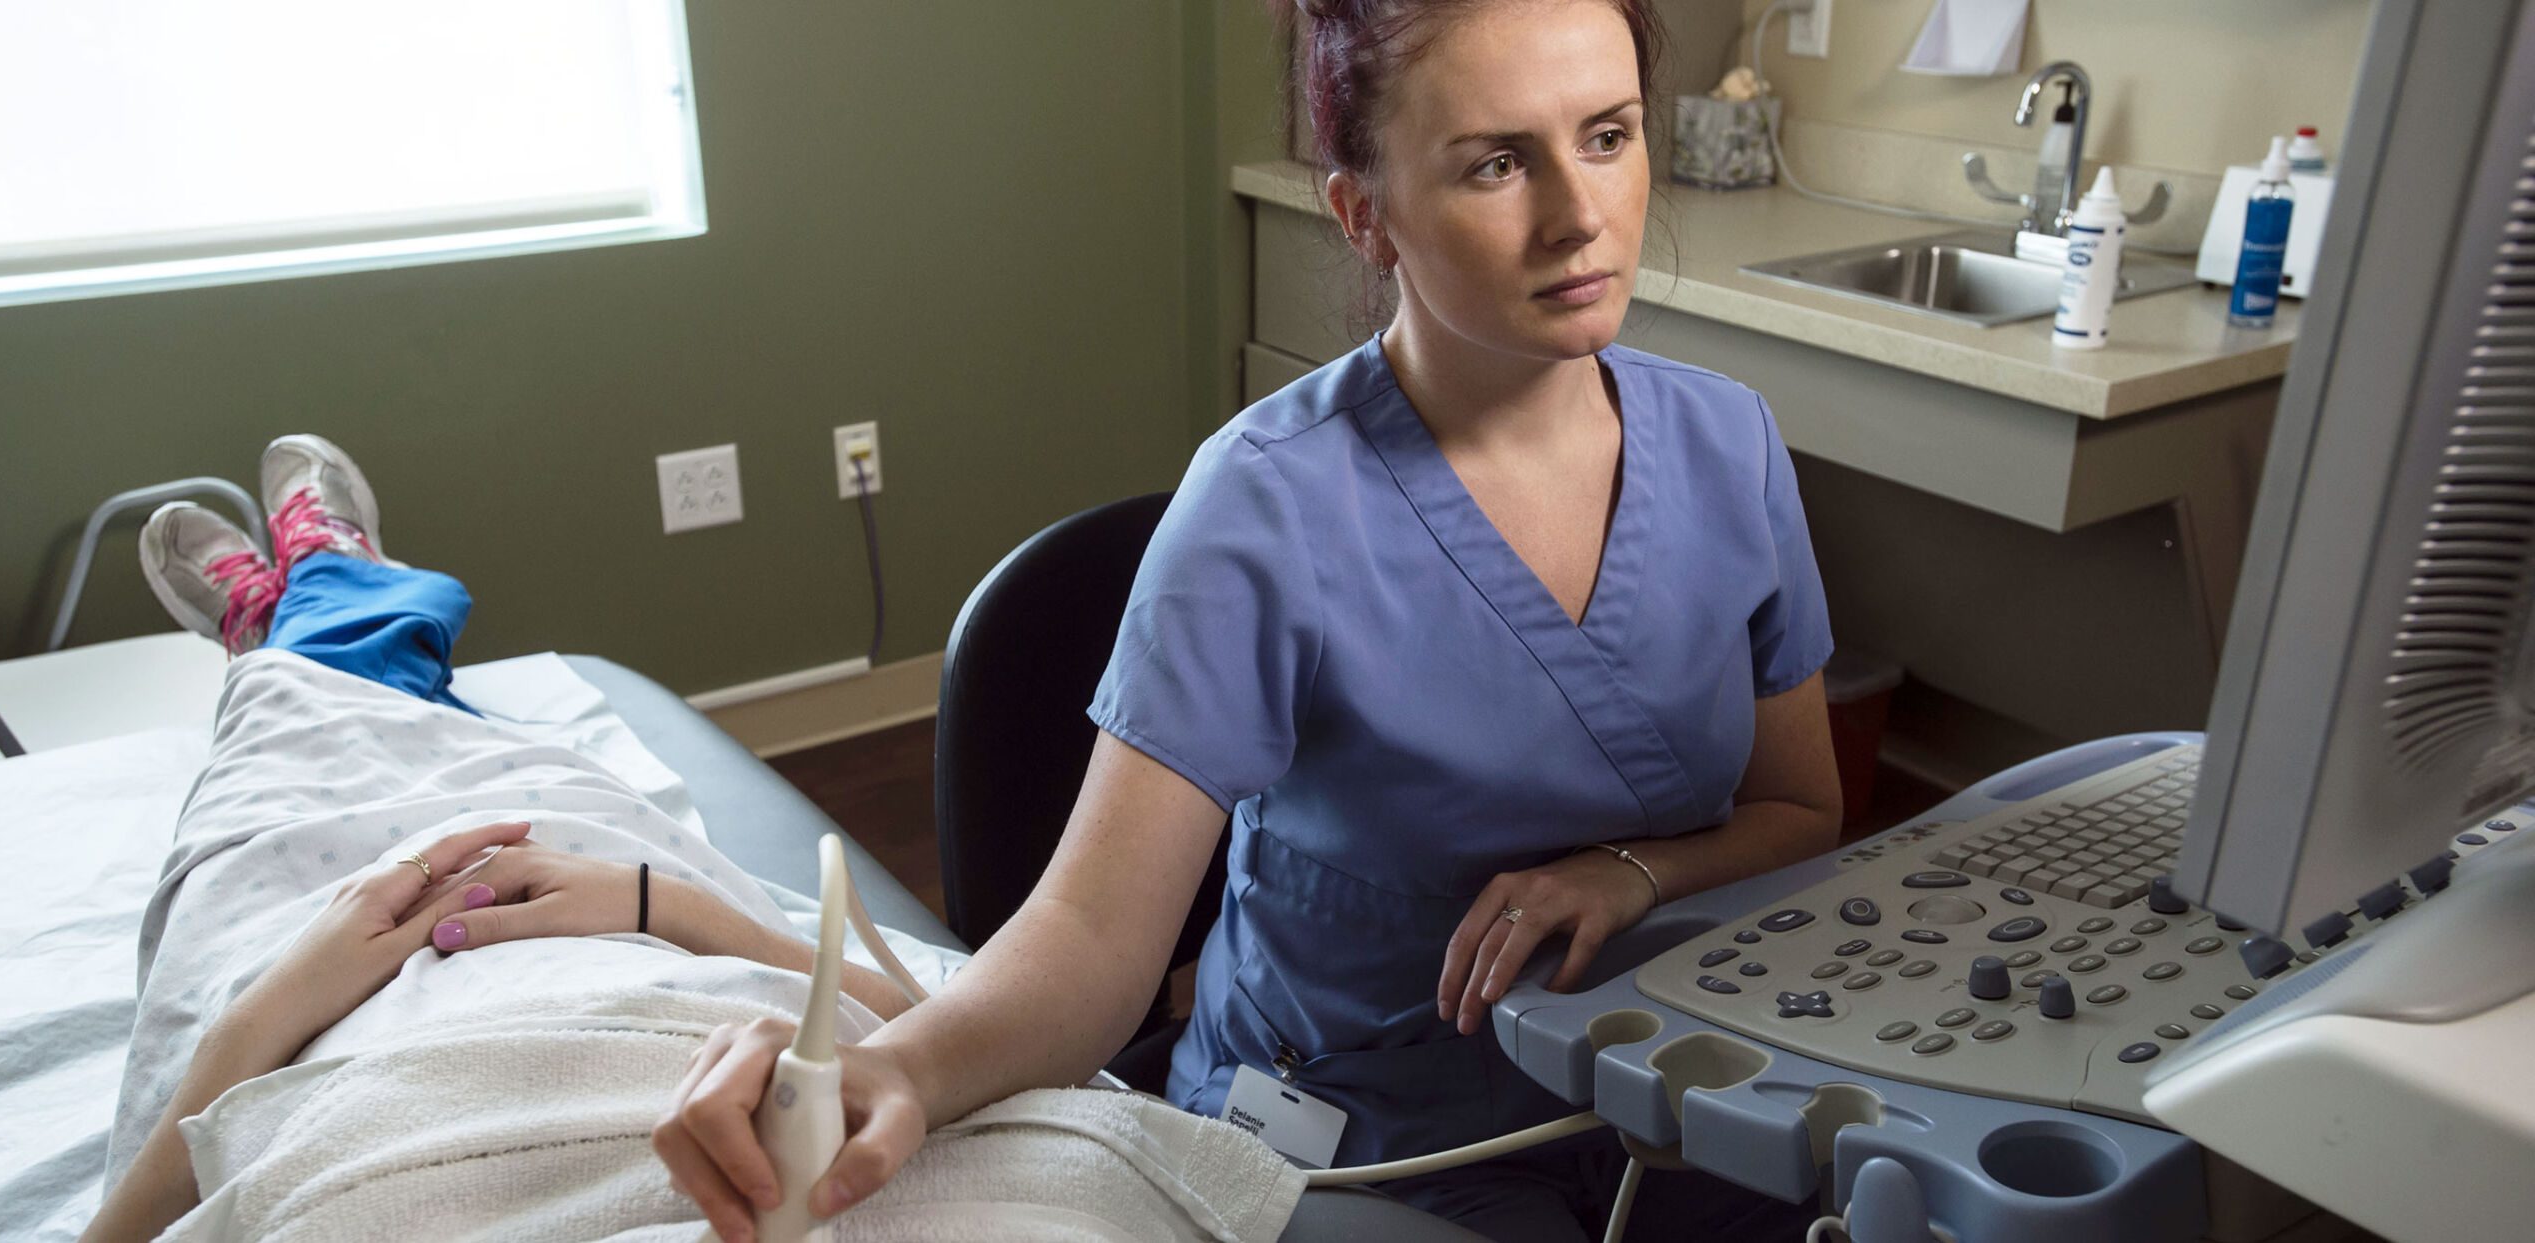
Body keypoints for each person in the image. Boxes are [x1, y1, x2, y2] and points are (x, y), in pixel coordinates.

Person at [662, 2, 1844, 1240]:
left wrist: (1635, 873)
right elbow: (1092, 938)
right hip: (1373, 1139)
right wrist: (893, 1071)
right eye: (1497, 162)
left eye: (1606, 135)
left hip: (1677, 1091)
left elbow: (1800, 814)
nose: (1577, 213)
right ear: (1362, 214)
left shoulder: (1730, 445)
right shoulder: (1267, 507)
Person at [85, 438, 1299, 1243]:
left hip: (336, 985)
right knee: (420, 740)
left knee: (299, 730)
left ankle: (294, 615)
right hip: (629, 909)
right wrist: (668, 901)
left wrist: (269, 1009)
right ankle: (320, 600)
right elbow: (948, 1040)